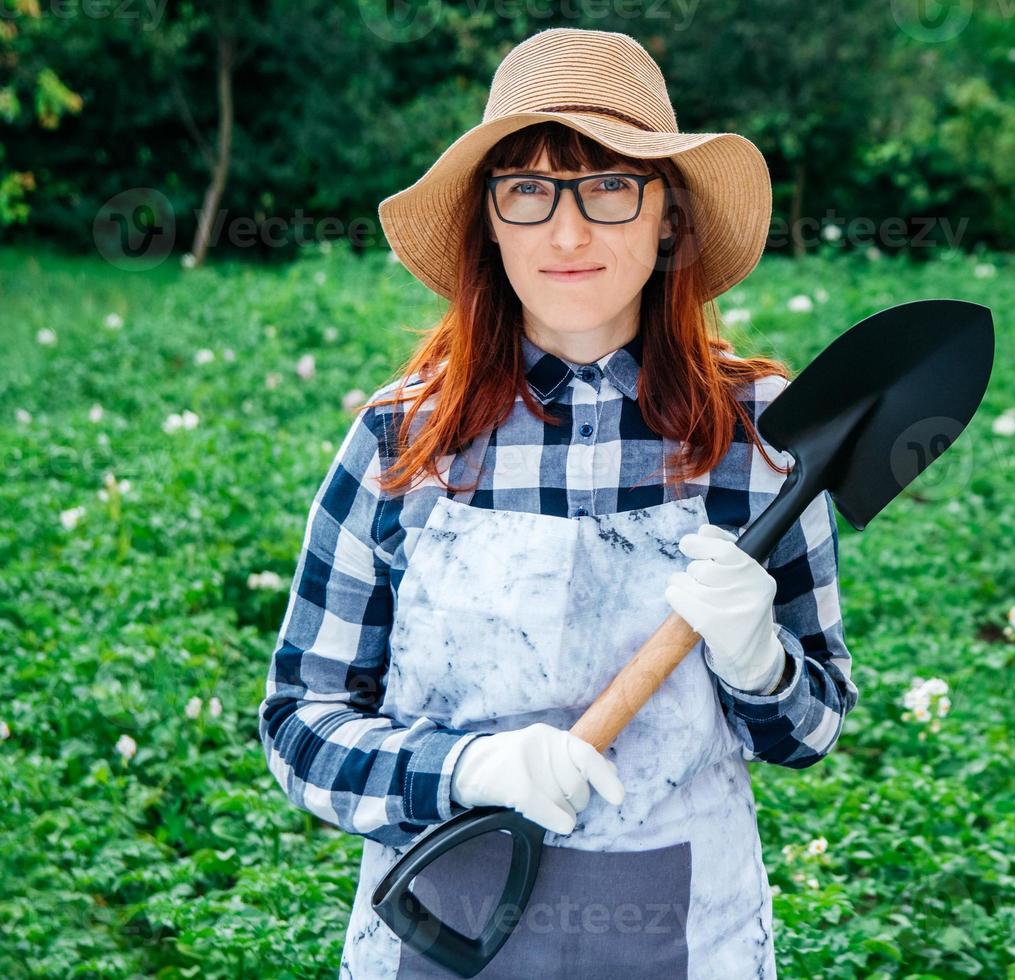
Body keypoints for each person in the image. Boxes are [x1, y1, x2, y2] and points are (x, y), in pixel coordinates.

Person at [256, 27, 859, 980]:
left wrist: (760, 663)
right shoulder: (399, 441)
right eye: (527, 191)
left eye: (610, 186)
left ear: (668, 217)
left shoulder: (760, 436)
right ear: (489, 224)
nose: (568, 233)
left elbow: (813, 727)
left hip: (684, 931)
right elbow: (299, 722)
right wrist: (463, 772)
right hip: (439, 928)